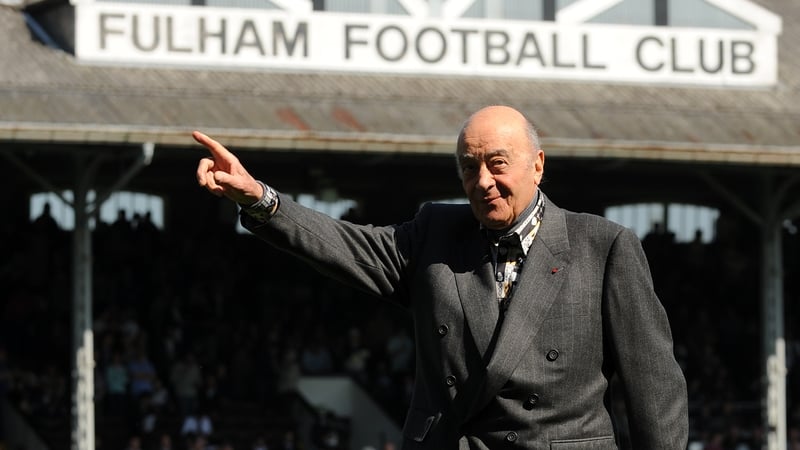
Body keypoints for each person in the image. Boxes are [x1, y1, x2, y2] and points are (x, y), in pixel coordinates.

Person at [193, 105, 688, 449]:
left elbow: (655, 390)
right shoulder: (434, 233)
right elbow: (345, 246)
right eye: (469, 167)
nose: (483, 182)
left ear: (537, 165)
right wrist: (260, 198)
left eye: (497, 163)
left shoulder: (604, 246)